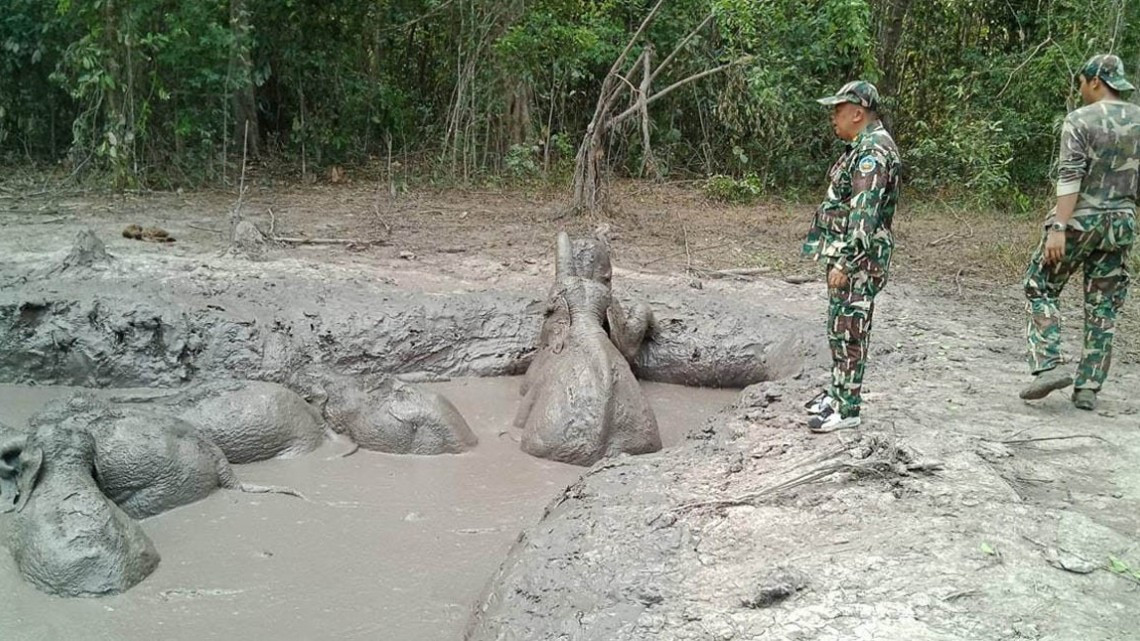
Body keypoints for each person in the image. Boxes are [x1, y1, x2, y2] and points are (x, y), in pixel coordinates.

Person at [1019, 54, 1139, 410]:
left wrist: (1058, 226)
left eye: (1082, 83)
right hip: (1121, 224)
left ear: (1096, 81)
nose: (1081, 90)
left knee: (1039, 284)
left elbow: (1069, 175)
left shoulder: (1080, 120)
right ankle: (1088, 388)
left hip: (1080, 221)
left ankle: (1047, 366)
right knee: (1103, 305)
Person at [801, 81, 901, 432]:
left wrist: (846, 262)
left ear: (858, 113)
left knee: (850, 330)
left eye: (838, 110)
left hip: (859, 260)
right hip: (853, 256)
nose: (833, 117)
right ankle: (838, 391)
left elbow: (865, 215)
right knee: (839, 327)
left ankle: (848, 409)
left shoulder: (872, 153)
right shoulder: (862, 146)